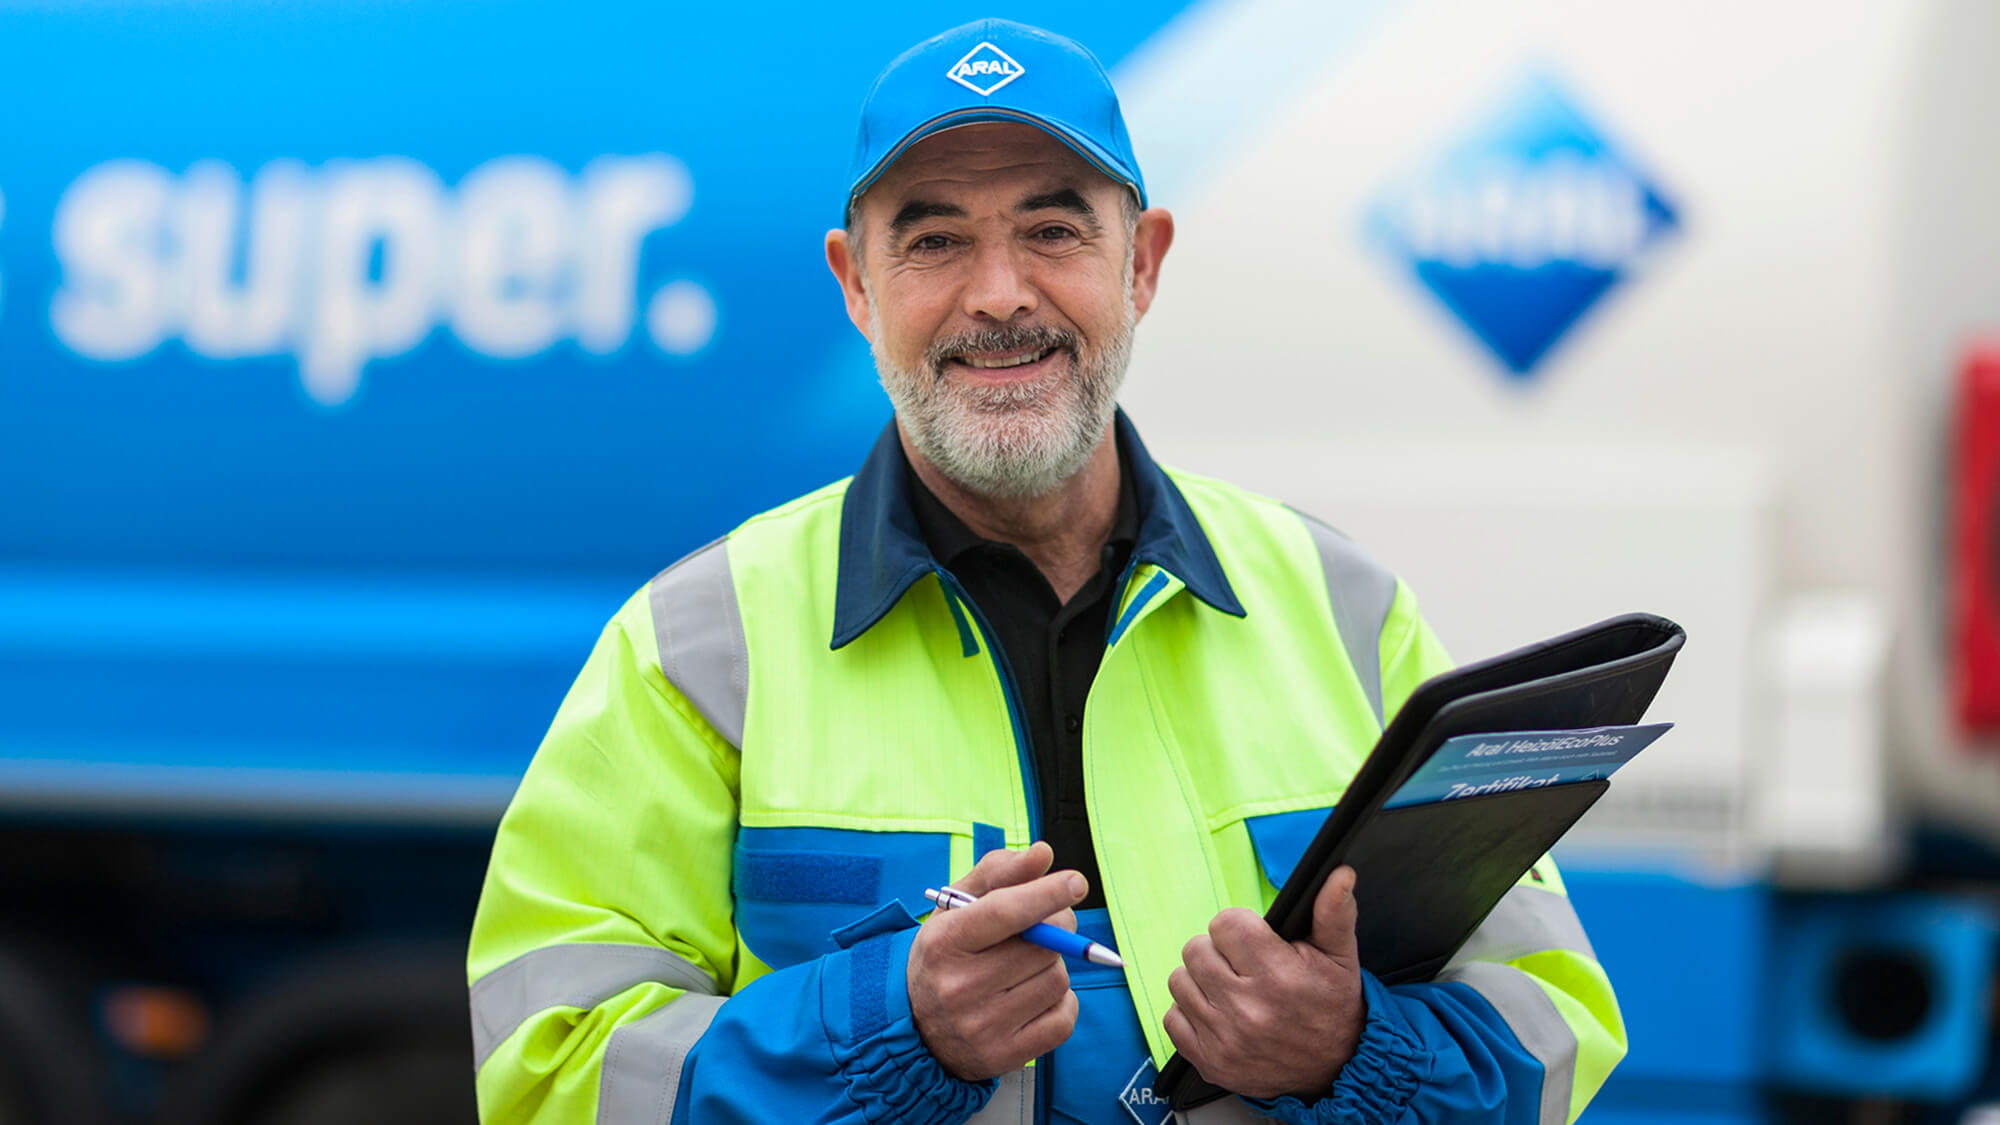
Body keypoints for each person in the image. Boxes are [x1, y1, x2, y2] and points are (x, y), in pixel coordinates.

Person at [466, 17, 1623, 1125]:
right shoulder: (698, 643)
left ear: (1142, 265)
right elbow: (546, 1073)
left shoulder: (1343, 607)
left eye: (1054, 230)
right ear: (855, 286)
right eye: (931, 240)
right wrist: (884, 1029)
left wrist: (1349, 1049)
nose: (999, 293)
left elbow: (1549, 1030)